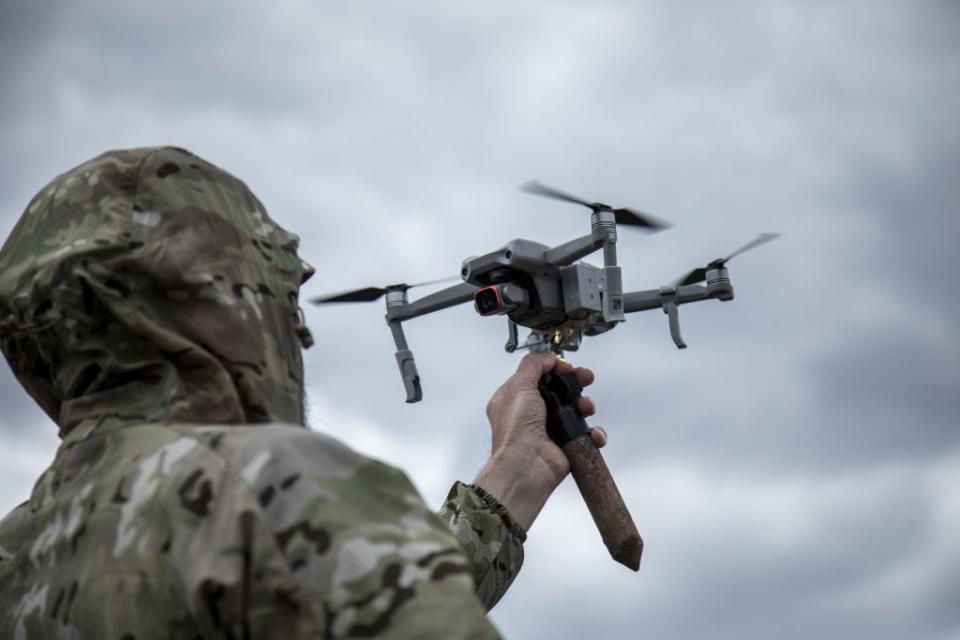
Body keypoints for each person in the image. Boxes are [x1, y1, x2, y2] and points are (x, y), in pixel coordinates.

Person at [0, 147, 606, 639]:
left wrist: (514, 473)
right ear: (222, 298)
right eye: (276, 296)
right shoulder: (271, 489)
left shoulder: (20, 554)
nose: (300, 333)